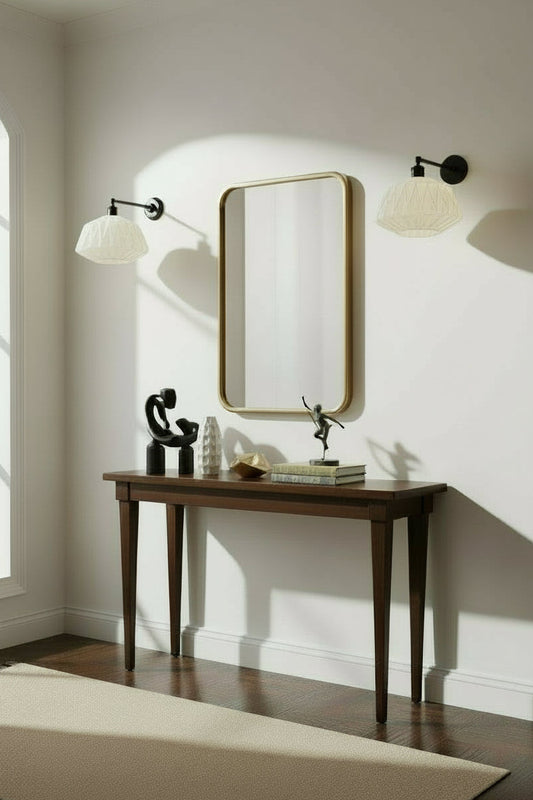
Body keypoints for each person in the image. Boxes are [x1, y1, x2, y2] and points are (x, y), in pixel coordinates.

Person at [302, 396, 344, 461]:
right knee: (315, 435)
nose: (315, 410)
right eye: (315, 409)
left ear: (318, 409)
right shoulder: (314, 414)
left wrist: (339, 424)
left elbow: (331, 418)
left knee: (324, 441)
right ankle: (324, 442)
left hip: (325, 427)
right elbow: (306, 407)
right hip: (321, 428)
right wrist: (303, 400)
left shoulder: (321, 415)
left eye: (316, 409)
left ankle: (323, 455)